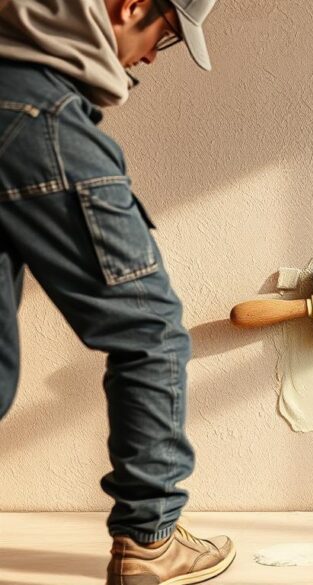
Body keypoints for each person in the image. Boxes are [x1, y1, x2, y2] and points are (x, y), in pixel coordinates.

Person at [0, 1, 234, 583]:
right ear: (130, 6)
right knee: (149, 327)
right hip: (27, 103)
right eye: (168, 34)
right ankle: (149, 538)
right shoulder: (40, 113)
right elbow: (147, 333)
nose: (153, 54)